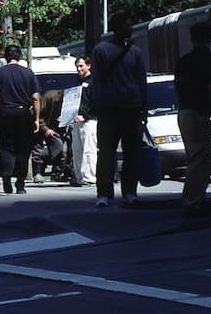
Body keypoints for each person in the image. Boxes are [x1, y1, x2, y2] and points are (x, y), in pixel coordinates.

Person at [91, 11, 148, 208]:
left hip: (127, 107)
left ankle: (125, 192)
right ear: (117, 27)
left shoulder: (134, 51)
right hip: (113, 108)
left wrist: (144, 109)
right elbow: (97, 80)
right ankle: (111, 192)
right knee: (108, 152)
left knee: (126, 152)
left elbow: (142, 81)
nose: (130, 28)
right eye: (127, 25)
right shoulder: (103, 51)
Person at [174, 20, 211, 214]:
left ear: (192, 38)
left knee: (194, 157)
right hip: (200, 113)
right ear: (210, 38)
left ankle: (195, 198)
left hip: (184, 112)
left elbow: (179, 89)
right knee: (200, 159)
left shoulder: (182, 61)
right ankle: (193, 200)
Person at [0, 44, 40, 194]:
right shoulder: (28, 73)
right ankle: (20, 183)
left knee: (6, 147)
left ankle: (6, 177)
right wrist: (37, 118)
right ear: (20, 57)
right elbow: (35, 97)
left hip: (5, 113)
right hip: (24, 113)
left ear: (5, 57)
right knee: (23, 149)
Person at [59, 55, 95, 187]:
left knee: (89, 150)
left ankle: (90, 177)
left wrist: (85, 116)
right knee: (77, 150)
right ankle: (79, 176)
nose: (79, 69)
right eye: (77, 66)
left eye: (81, 66)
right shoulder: (76, 82)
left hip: (89, 121)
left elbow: (95, 103)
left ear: (88, 65)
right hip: (74, 121)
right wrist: (64, 116)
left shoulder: (94, 82)